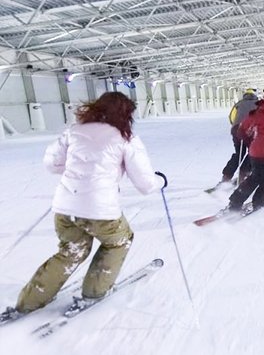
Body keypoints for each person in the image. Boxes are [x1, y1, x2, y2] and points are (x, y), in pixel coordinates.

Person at [1, 91, 166, 320]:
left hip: (65, 208)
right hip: (100, 210)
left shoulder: (74, 131)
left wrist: (78, 173)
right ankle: (94, 291)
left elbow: (51, 163)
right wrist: (160, 181)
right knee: (119, 240)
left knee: (71, 251)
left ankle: (28, 301)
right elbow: (145, 184)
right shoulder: (125, 138)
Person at [221, 87, 259, 183]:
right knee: (253, 152)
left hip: (237, 130)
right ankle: (243, 174)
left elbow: (231, 117)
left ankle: (226, 176)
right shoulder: (259, 104)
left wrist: (237, 126)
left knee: (239, 153)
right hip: (252, 130)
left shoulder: (238, 104)